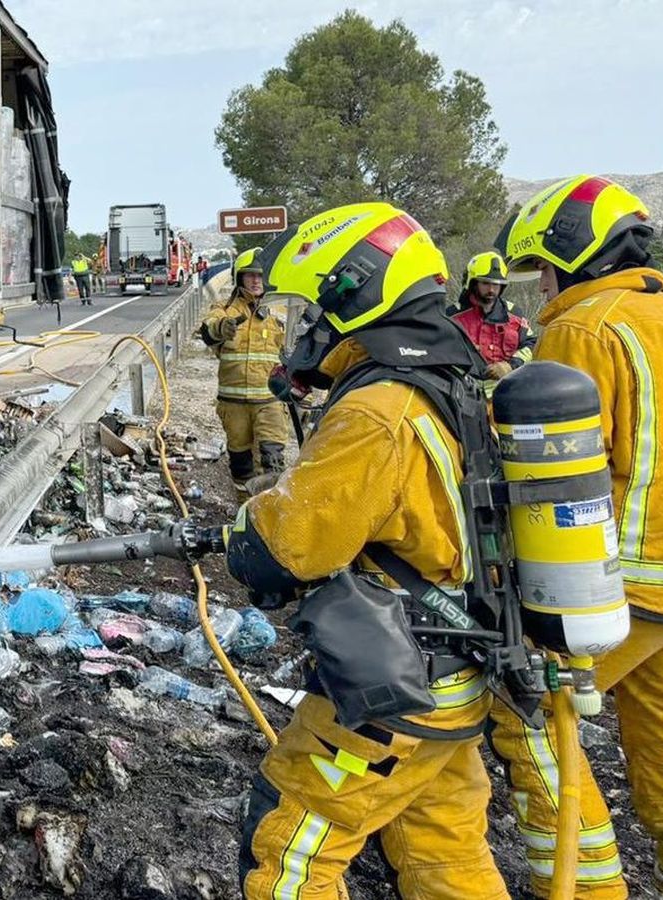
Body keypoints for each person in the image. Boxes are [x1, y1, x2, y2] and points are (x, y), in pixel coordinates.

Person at [489, 175, 663, 899]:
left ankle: (588, 890)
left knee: (531, 725)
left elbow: (554, 466)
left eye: (543, 268)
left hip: (615, 589)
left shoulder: (583, 330)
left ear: (573, 255)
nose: (540, 286)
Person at [224, 203, 507, 895]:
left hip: (394, 693)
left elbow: (287, 549)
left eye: (321, 306)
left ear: (358, 292)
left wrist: (243, 530)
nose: (312, 327)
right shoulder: (445, 378)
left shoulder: (378, 412)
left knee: (287, 853)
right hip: (456, 677)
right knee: (444, 855)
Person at [200, 248, 287, 487]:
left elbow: (295, 352)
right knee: (241, 464)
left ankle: (271, 507)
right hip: (233, 404)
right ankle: (243, 506)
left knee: (273, 461)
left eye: (260, 275)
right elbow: (208, 329)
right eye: (250, 275)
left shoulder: (279, 311)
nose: (256, 280)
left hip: (269, 401)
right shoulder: (225, 309)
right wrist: (221, 328)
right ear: (240, 277)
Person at [447, 250, 536, 393]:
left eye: (496, 284)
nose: (491, 290)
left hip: (507, 393)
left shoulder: (515, 315)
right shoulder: (452, 316)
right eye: (485, 283)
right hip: (462, 394)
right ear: (472, 283)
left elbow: (532, 344)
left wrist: (510, 365)